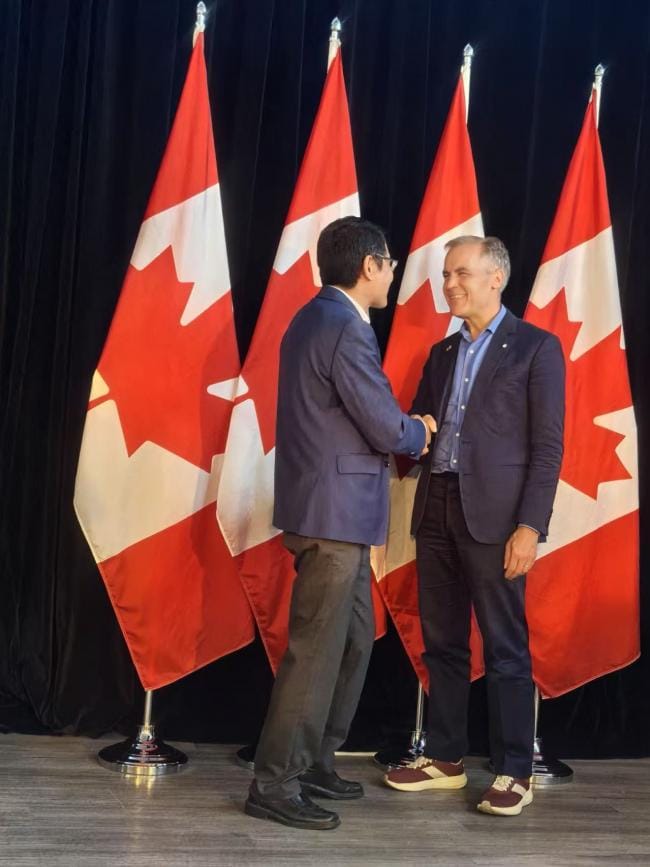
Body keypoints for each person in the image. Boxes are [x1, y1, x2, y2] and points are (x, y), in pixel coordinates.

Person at [245, 216, 436, 831]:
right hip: (333, 516)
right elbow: (382, 424)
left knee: (352, 640)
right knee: (317, 651)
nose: (393, 273)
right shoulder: (343, 327)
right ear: (369, 265)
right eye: (390, 263)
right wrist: (420, 431)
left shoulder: (315, 317)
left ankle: (313, 761)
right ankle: (274, 783)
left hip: (336, 514)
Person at [384, 236, 565, 816]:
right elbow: (417, 429)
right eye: (445, 275)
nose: (449, 284)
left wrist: (530, 526)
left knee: (506, 647)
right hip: (435, 507)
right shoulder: (441, 353)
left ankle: (515, 769)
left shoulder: (536, 348)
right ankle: (445, 757)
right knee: (442, 642)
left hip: (497, 520)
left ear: (496, 278)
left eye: (461, 273)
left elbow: (547, 449)